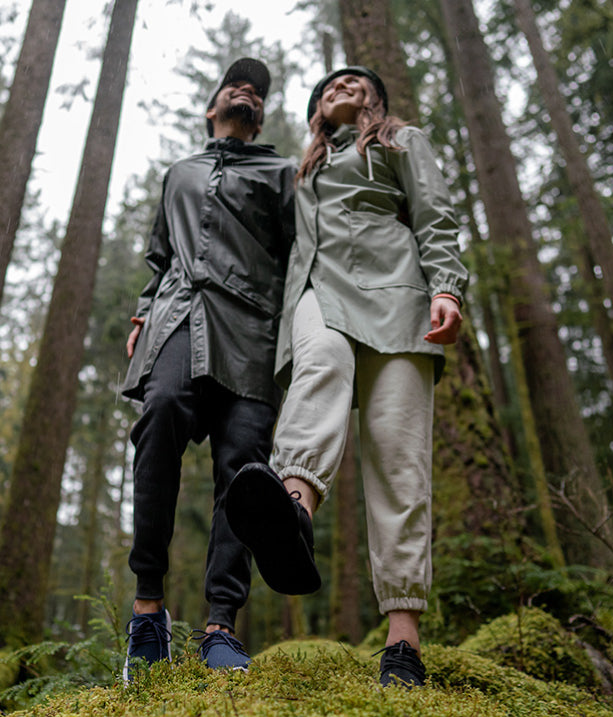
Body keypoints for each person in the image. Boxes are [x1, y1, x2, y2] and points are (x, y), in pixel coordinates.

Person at [225, 66, 468, 688]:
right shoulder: (299, 171)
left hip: (398, 295)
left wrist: (447, 287)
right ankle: (293, 510)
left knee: (398, 454)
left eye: (358, 83)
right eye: (332, 83)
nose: (344, 84)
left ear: (376, 101)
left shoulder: (400, 142)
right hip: (318, 291)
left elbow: (435, 212)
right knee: (322, 364)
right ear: (314, 109)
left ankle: (403, 642)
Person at [119, 58, 296, 680]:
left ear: (262, 115)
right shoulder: (179, 174)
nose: (247, 89)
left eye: (258, 90)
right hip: (175, 321)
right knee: (160, 415)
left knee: (244, 468)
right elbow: (158, 258)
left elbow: (302, 257)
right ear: (211, 108)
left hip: (251, 336)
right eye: (235, 84)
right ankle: (147, 611)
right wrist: (142, 315)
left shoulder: (282, 174)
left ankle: (221, 626)